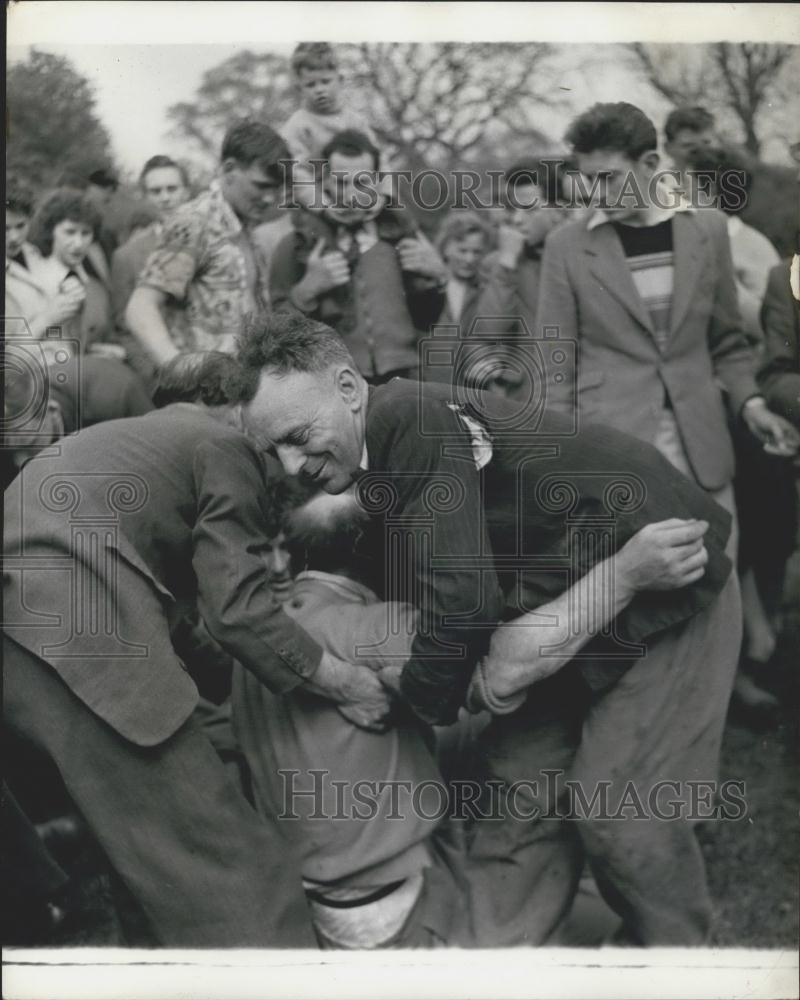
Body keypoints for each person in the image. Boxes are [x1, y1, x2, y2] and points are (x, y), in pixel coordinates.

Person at [232, 312, 742, 947]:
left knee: (620, 812)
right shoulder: (375, 461)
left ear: (347, 387)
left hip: (665, 590)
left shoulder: (404, 419)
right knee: (518, 790)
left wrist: (413, 699)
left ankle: (677, 967)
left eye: (297, 435)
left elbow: (465, 602)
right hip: (577, 600)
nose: (289, 462)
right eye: (271, 450)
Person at [3, 350, 392, 947]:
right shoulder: (223, 445)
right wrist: (341, 681)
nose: (282, 456)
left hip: (35, 638)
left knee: (146, 857)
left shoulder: (133, 440)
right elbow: (237, 611)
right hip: (73, 631)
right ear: (237, 409)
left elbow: (182, 624)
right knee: (236, 869)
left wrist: (251, 698)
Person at [232, 481, 466, 949]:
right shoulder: (366, 626)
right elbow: (477, 642)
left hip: (322, 887)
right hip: (385, 894)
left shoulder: (254, 640)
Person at [269, 128, 447, 384]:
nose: (352, 196)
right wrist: (306, 291)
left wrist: (437, 277)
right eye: (341, 182)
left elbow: (427, 319)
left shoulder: (402, 235)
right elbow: (275, 334)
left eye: (362, 182)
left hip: (405, 380)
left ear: (377, 182)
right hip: (332, 385)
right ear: (324, 182)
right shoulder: (298, 244)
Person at [126, 120, 290, 365]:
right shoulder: (194, 222)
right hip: (207, 392)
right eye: (261, 186)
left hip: (247, 383)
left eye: (276, 188)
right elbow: (140, 308)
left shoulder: (247, 228)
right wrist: (179, 369)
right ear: (229, 169)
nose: (270, 198)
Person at [280, 42, 386, 216]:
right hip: (319, 203)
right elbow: (297, 173)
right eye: (310, 85)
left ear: (340, 80)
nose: (320, 90)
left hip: (360, 194)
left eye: (325, 81)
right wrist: (323, 207)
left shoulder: (355, 120)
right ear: (299, 88)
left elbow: (379, 160)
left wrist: (383, 196)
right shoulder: (297, 126)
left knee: (399, 225)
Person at [24, 188, 117, 363]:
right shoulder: (31, 281)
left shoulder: (96, 288)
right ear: (50, 230)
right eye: (70, 232)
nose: (79, 243)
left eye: (86, 233)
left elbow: (96, 340)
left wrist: (102, 352)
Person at [663, 105, 717, 200]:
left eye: (706, 143)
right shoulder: (656, 189)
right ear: (668, 148)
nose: (700, 152)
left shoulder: (727, 185)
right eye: (688, 145)